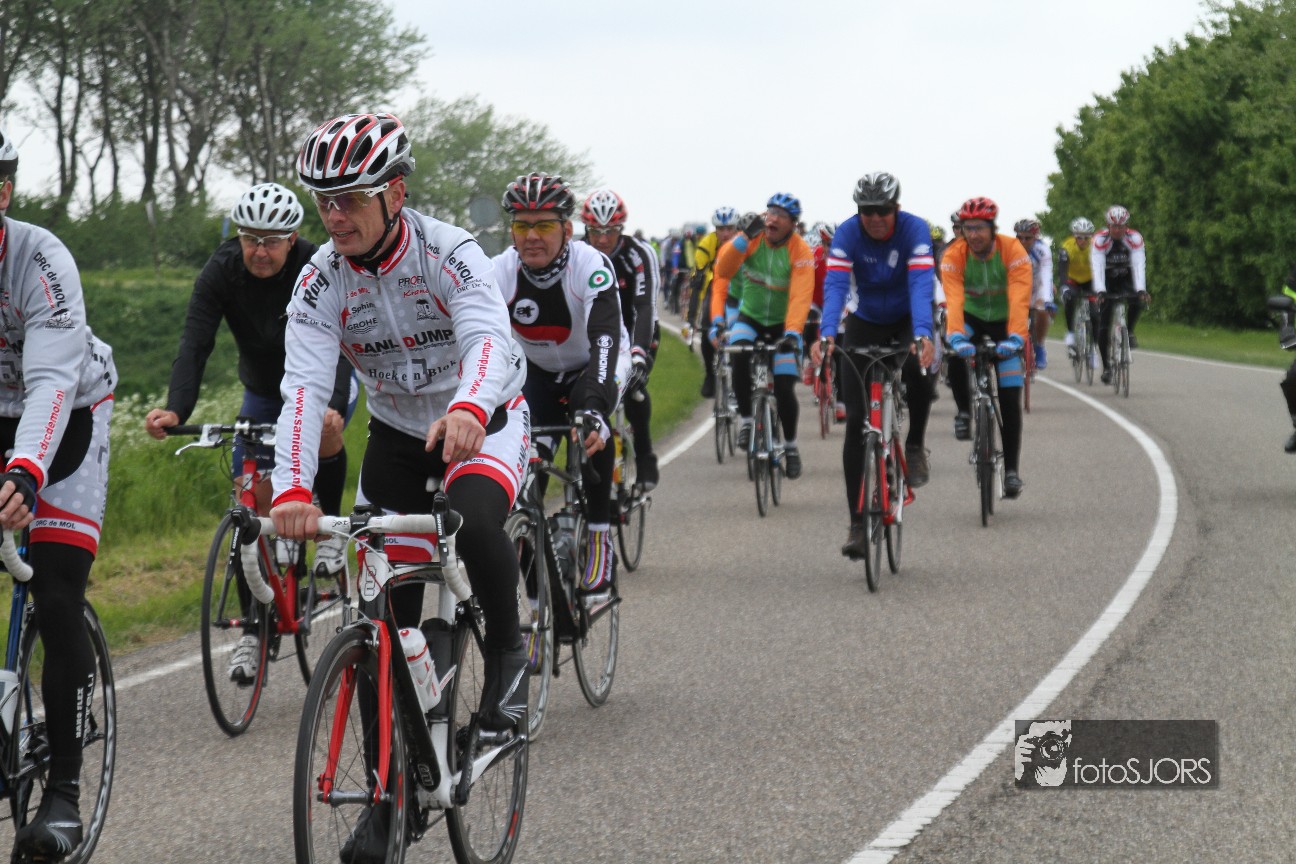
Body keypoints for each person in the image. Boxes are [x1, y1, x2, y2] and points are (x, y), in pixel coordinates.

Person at [271, 112, 531, 757]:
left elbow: (486, 337)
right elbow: (303, 390)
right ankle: (384, 790)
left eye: (351, 200)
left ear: (395, 193)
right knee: (381, 623)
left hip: (485, 417)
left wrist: (470, 408)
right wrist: (292, 490)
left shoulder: (449, 251)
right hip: (397, 433)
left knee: (472, 520)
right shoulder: (320, 280)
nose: (335, 217)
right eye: (324, 201)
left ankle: (509, 657)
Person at [143, 182, 356, 683]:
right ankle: (253, 633)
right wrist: (176, 409)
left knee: (324, 431)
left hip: (322, 379)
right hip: (262, 390)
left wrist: (331, 405)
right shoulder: (221, 270)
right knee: (248, 512)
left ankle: (330, 532)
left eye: (272, 241)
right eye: (250, 239)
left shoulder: (317, 264)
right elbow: (196, 341)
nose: (260, 251)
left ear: (293, 238)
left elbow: (343, 337)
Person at [0, 124, 118, 858]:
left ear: (4, 192)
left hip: (68, 411)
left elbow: (48, 384)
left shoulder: (40, 258)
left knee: (56, 585)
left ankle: (65, 795)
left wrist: (24, 471)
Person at [493, 172, 630, 593]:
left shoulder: (590, 265)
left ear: (567, 230)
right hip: (536, 373)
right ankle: (539, 598)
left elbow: (604, 338)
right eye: (522, 225)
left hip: (595, 363)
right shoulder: (499, 272)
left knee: (591, 433)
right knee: (522, 481)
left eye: (545, 225)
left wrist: (596, 407)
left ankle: (600, 538)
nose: (532, 236)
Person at [809, 173, 936, 557]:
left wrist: (923, 333)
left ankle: (914, 444)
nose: (875, 218)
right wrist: (827, 335)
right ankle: (857, 525)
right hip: (864, 320)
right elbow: (834, 286)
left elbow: (921, 284)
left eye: (883, 211)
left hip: (906, 318)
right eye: (867, 211)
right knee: (856, 423)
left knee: (919, 370)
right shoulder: (848, 233)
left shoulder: (914, 230)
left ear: (896, 208)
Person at [709, 193, 815, 479]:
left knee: (784, 388)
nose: (773, 219)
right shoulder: (752, 239)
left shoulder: (800, 250)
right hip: (751, 319)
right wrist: (743, 237)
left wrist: (793, 333)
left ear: (793, 224)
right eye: (771, 212)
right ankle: (746, 419)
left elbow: (801, 296)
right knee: (739, 355)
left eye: (781, 215)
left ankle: (790, 447)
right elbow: (724, 270)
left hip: (783, 325)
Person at [939, 196, 1032, 498]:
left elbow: (1019, 296)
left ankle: (1012, 471)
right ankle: (964, 412)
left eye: (979, 227)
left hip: (1005, 324)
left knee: (1010, 396)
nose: (974, 234)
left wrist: (1016, 337)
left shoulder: (1013, 250)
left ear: (993, 228)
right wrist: (956, 336)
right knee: (953, 354)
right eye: (968, 228)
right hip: (971, 320)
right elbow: (954, 299)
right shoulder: (954, 255)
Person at [580, 187, 660, 490]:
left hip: (636, 326)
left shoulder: (638, 254)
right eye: (595, 232)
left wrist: (638, 355)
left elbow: (645, 306)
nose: (602, 239)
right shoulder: (578, 253)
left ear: (621, 229)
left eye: (610, 231)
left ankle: (645, 454)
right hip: (598, 333)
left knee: (633, 387)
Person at [1092, 205, 1149, 383]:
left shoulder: (1135, 238)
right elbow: (1098, 266)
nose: (1117, 230)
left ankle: (1129, 331)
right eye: (1114, 226)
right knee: (1103, 324)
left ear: (1126, 226)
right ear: (1108, 225)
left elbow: (1138, 264)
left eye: (1121, 226)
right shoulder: (1100, 240)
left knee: (1137, 299)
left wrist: (1141, 289)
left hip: (1126, 277)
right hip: (1107, 280)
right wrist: (1100, 290)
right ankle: (1107, 367)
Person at [691, 206, 740, 398]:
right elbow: (698, 278)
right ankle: (710, 375)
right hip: (715, 286)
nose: (725, 233)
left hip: (740, 286)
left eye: (729, 228)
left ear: (736, 228)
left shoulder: (744, 242)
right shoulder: (707, 243)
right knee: (706, 327)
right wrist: (691, 317)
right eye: (721, 229)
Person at [1013, 218, 1055, 370]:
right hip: (1017, 286)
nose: (1023, 241)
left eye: (1027, 238)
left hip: (1037, 286)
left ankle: (1039, 346)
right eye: (1019, 237)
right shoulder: (1010, 249)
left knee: (1042, 311)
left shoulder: (1042, 250)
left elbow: (1046, 274)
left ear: (1035, 237)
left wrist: (1045, 299)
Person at [1058, 217, 1097, 361]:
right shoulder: (1067, 247)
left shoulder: (1095, 247)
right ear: (1074, 236)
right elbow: (1062, 270)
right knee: (1070, 300)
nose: (1083, 240)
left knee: (1095, 314)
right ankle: (1070, 333)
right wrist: (1064, 287)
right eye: (1079, 237)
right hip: (1072, 280)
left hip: (1090, 280)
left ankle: (1093, 348)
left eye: (1086, 237)